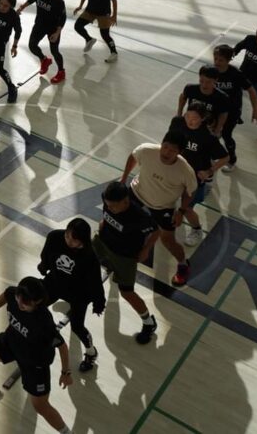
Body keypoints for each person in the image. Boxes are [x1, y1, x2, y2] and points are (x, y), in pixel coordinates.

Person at [0, 277, 73, 434]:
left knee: (41, 406)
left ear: (38, 301)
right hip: (11, 342)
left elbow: (62, 347)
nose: (20, 304)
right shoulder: (14, 295)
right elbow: (6, 295)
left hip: (34, 362)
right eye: (18, 298)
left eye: (26, 302)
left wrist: (65, 373)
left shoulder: (44, 322)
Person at [119, 132, 197, 287]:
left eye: (172, 150)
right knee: (122, 224)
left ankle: (183, 265)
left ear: (179, 152)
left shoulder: (185, 170)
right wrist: (124, 178)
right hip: (137, 194)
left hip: (163, 207)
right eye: (165, 147)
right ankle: (118, 255)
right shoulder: (147, 150)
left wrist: (181, 211)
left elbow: (191, 192)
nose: (166, 152)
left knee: (168, 240)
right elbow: (133, 156)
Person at [92, 181, 158, 344]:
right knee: (84, 260)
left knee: (127, 292)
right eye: (107, 205)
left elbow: (156, 231)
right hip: (103, 241)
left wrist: (146, 250)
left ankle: (149, 323)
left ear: (126, 201)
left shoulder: (140, 217)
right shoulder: (108, 199)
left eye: (113, 206)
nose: (110, 208)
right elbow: (107, 214)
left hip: (124, 255)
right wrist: (104, 222)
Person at [37, 218, 105, 372]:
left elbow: (95, 282)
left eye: (74, 240)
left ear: (83, 240)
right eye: (67, 235)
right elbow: (46, 253)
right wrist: (43, 266)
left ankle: (91, 352)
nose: (69, 241)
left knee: (77, 327)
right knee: (36, 306)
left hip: (78, 293)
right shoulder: (55, 237)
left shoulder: (89, 256)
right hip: (55, 282)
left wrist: (98, 302)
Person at [169, 103, 229, 247]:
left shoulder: (207, 137)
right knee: (167, 198)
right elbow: (169, 140)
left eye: (194, 118)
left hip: (194, 177)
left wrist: (209, 171)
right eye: (188, 115)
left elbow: (225, 157)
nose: (190, 120)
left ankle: (196, 230)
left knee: (187, 208)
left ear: (202, 119)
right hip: (175, 170)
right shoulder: (177, 123)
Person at [212, 44, 257, 173]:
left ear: (228, 60)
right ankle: (212, 154)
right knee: (212, 132)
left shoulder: (236, 74)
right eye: (215, 58)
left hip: (232, 111)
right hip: (216, 109)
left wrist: (255, 110)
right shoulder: (211, 71)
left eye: (221, 60)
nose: (217, 62)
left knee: (226, 135)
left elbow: (251, 90)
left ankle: (232, 160)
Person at [18, 0, 67, 84]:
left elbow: (63, 18)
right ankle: (44, 59)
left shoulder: (58, 1)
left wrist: (57, 33)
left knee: (54, 51)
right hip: (39, 25)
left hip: (53, 29)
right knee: (32, 46)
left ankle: (61, 72)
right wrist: (22, 7)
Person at [177, 65, 231, 137]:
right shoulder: (190, 89)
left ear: (216, 80)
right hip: (190, 123)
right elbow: (182, 98)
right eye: (201, 81)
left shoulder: (222, 97)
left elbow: (223, 114)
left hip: (208, 128)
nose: (204, 85)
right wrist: (179, 115)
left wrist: (217, 130)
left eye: (208, 82)